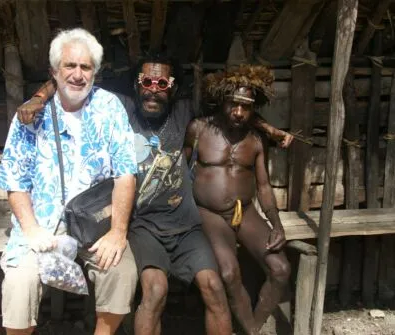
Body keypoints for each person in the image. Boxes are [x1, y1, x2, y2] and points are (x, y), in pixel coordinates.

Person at [17, 55, 292, 335]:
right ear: (136, 85)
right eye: (147, 81)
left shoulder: (184, 111)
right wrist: (38, 98)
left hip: (186, 225)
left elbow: (235, 109)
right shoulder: (121, 108)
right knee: (155, 290)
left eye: (162, 83)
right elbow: (73, 82)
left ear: (172, 88)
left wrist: (267, 128)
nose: (153, 89)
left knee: (213, 287)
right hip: (142, 225)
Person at [0, 28, 138, 335]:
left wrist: (118, 232)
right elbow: (14, 179)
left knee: (121, 272)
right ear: (54, 73)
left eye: (85, 67)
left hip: (93, 223)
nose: (77, 74)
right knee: (20, 283)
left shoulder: (109, 108)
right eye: (69, 66)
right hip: (41, 223)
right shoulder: (30, 115)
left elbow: (126, 172)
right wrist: (32, 231)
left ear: (95, 73)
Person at [184, 65, 291, 335]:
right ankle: (250, 329)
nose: (239, 113)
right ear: (223, 101)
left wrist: (276, 223)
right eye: (234, 104)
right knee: (229, 273)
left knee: (280, 269)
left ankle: (252, 327)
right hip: (209, 213)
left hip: (245, 212)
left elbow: (264, 186)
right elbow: (179, 169)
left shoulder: (255, 140)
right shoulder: (199, 129)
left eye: (246, 107)